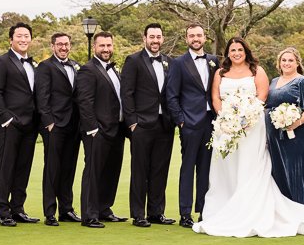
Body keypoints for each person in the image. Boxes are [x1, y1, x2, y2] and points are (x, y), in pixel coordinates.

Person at [194, 38, 304, 237]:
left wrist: (245, 119)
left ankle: (250, 209)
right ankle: (224, 207)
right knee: (226, 169)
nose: (236, 53)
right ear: (228, 53)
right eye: (232, 50)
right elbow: (215, 98)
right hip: (226, 128)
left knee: (250, 167)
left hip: (251, 126)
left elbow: (262, 97)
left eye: (240, 49)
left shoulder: (258, 71)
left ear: (246, 51)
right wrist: (225, 119)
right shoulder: (221, 73)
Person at [121, 23, 176, 228]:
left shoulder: (169, 62)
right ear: (144, 38)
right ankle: (138, 214)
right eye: (151, 37)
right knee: (140, 170)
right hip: (142, 125)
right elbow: (126, 94)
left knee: (160, 170)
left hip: (165, 125)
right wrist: (132, 122)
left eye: (158, 37)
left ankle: (156, 212)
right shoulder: (133, 60)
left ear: (163, 39)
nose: (155, 40)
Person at [164, 23, 218, 228]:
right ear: (186, 39)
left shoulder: (214, 61)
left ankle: (204, 211)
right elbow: (171, 95)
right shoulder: (178, 63)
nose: (195, 38)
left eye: (199, 35)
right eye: (191, 35)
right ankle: (185, 213)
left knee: (206, 170)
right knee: (188, 168)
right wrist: (180, 120)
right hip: (189, 123)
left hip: (210, 122)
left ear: (205, 37)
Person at [0, 22, 40, 226]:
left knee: (23, 167)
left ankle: (18, 208)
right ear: (11, 39)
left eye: (26, 36)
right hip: (11, 123)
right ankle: (2, 210)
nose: (23, 39)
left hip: (31, 124)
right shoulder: (2, 62)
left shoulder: (33, 64)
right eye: (19, 36)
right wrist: (7, 118)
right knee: (6, 166)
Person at [75, 31, 127, 228]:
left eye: (109, 45)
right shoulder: (88, 70)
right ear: (95, 47)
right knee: (94, 172)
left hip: (116, 129)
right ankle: (89, 215)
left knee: (111, 171)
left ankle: (104, 209)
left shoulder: (114, 70)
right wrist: (92, 129)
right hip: (98, 131)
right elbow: (84, 102)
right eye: (102, 46)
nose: (106, 49)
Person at [34, 32, 82, 225]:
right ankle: (50, 212)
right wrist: (49, 122)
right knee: (53, 168)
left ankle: (66, 209)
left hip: (74, 124)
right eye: (60, 44)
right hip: (55, 125)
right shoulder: (45, 67)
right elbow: (42, 96)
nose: (63, 47)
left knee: (69, 168)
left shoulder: (76, 65)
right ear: (53, 46)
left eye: (67, 44)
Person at [264, 47, 304, 207]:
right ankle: (284, 208)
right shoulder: (274, 81)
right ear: (279, 63)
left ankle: (302, 207)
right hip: (275, 135)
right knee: (279, 170)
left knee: (297, 170)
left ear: (297, 63)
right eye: (284, 60)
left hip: (298, 135)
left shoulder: (303, 81)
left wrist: (298, 122)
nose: (287, 63)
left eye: (290, 60)